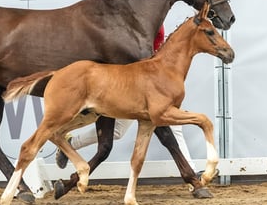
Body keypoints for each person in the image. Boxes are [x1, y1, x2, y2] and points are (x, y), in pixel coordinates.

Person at [55, 26, 197, 173]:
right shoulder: (138, 23)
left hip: (154, 83)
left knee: (170, 128)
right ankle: (191, 172)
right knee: (119, 131)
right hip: (135, 85)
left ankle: (191, 171)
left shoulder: (156, 23)